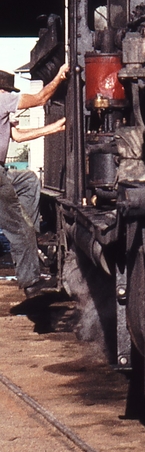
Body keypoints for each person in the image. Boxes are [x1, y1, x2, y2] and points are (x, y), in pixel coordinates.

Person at [0, 64, 68, 298]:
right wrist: (59, 76)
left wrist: (53, 129)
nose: (11, 95)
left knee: (28, 180)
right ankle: (30, 282)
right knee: (20, 228)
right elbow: (40, 98)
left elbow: (18, 136)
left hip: (2, 173)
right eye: (8, 91)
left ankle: (29, 232)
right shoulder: (2, 101)